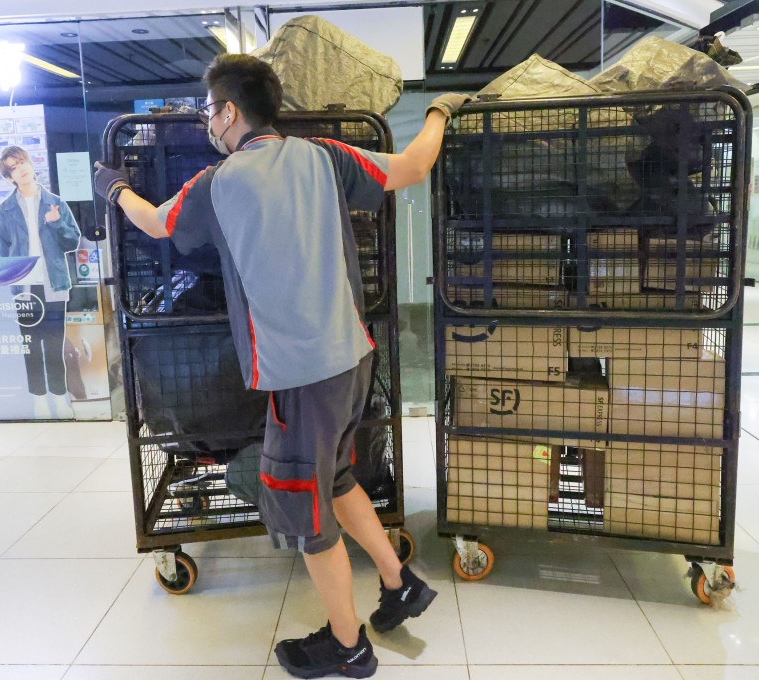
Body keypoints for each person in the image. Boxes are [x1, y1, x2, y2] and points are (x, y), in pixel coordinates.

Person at [95, 54, 468, 679]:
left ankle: (347, 647)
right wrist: (437, 111)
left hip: (297, 376)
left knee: (306, 515)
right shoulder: (325, 155)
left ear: (230, 112)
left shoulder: (218, 182)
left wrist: (115, 188)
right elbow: (414, 164)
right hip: (350, 360)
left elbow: (157, 224)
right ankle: (399, 582)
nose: (208, 121)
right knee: (339, 475)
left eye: (209, 109)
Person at [0, 146, 81, 419]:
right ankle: (39, 399)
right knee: (30, 345)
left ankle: (59, 396)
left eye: (23, 162)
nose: (22, 168)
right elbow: (4, 250)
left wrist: (56, 224)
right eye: (14, 167)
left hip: (53, 283)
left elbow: (72, 241)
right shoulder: (6, 209)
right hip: (24, 288)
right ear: (9, 177)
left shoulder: (54, 202)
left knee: (54, 345)